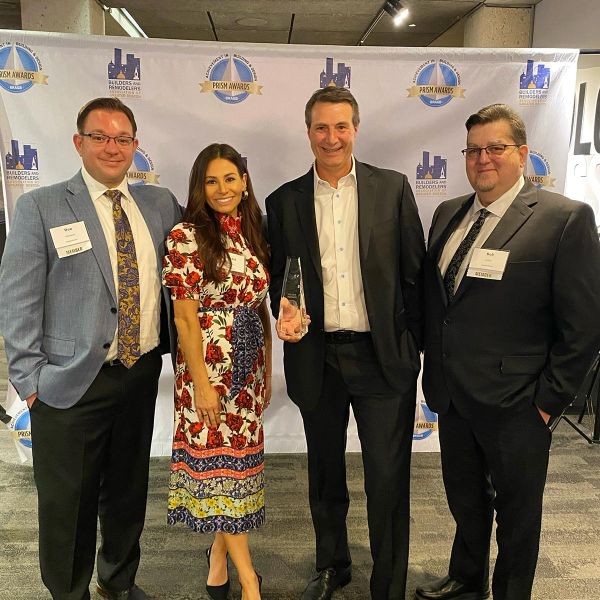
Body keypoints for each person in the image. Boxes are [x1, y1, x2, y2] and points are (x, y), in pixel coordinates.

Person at [0, 97, 181, 600]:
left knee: (127, 493)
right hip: (68, 382)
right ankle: (69, 593)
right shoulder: (41, 206)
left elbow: (203, 255)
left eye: (122, 138)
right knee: (67, 506)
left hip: (139, 373)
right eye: (99, 137)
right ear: (78, 143)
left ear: (136, 146)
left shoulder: (160, 204)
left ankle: (117, 581)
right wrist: (30, 383)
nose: (112, 147)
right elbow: (17, 300)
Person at [417, 103, 600, 600]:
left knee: (518, 514)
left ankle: (511, 592)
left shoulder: (564, 219)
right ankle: (466, 577)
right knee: (466, 499)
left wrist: (547, 403)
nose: (483, 159)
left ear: (522, 153)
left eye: (495, 148)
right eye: (473, 150)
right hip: (453, 396)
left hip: (519, 404)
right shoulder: (447, 213)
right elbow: (442, 306)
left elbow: (583, 325)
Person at [266, 86, 426, 600]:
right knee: (324, 476)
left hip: (381, 358)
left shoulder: (393, 188)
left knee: (386, 478)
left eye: (341, 127)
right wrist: (283, 316)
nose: (331, 138)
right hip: (319, 358)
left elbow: (414, 276)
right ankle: (332, 565)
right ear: (307, 131)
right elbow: (279, 282)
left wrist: (410, 346)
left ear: (356, 129)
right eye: (320, 127)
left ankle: (389, 583)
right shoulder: (283, 200)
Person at [162, 143, 271, 600]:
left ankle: (219, 556)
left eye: (230, 178)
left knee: (240, 471)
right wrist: (202, 387)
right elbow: (185, 319)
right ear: (199, 188)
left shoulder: (252, 234)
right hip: (207, 373)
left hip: (247, 372)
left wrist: (265, 371)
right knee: (220, 473)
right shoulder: (186, 236)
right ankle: (250, 581)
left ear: (244, 183)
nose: (222, 189)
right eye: (211, 181)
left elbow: (258, 307)